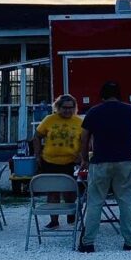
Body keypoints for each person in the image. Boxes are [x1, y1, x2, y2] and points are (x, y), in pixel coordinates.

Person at [78, 81, 131, 253]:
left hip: (100, 161)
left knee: (95, 202)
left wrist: (84, 158)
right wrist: (130, 140)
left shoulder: (94, 112)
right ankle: (130, 241)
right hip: (124, 160)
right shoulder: (130, 110)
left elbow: (84, 137)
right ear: (119, 94)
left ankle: (88, 243)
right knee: (125, 201)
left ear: (102, 95)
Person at [30, 94, 83, 229]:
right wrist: (37, 156)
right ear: (58, 107)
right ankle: (54, 220)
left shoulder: (79, 121)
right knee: (52, 192)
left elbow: (86, 140)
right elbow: (36, 136)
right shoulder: (49, 120)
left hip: (71, 162)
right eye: (64, 108)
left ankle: (70, 215)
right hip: (50, 161)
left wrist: (82, 156)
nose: (68, 111)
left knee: (70, 191)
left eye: (71, 108)